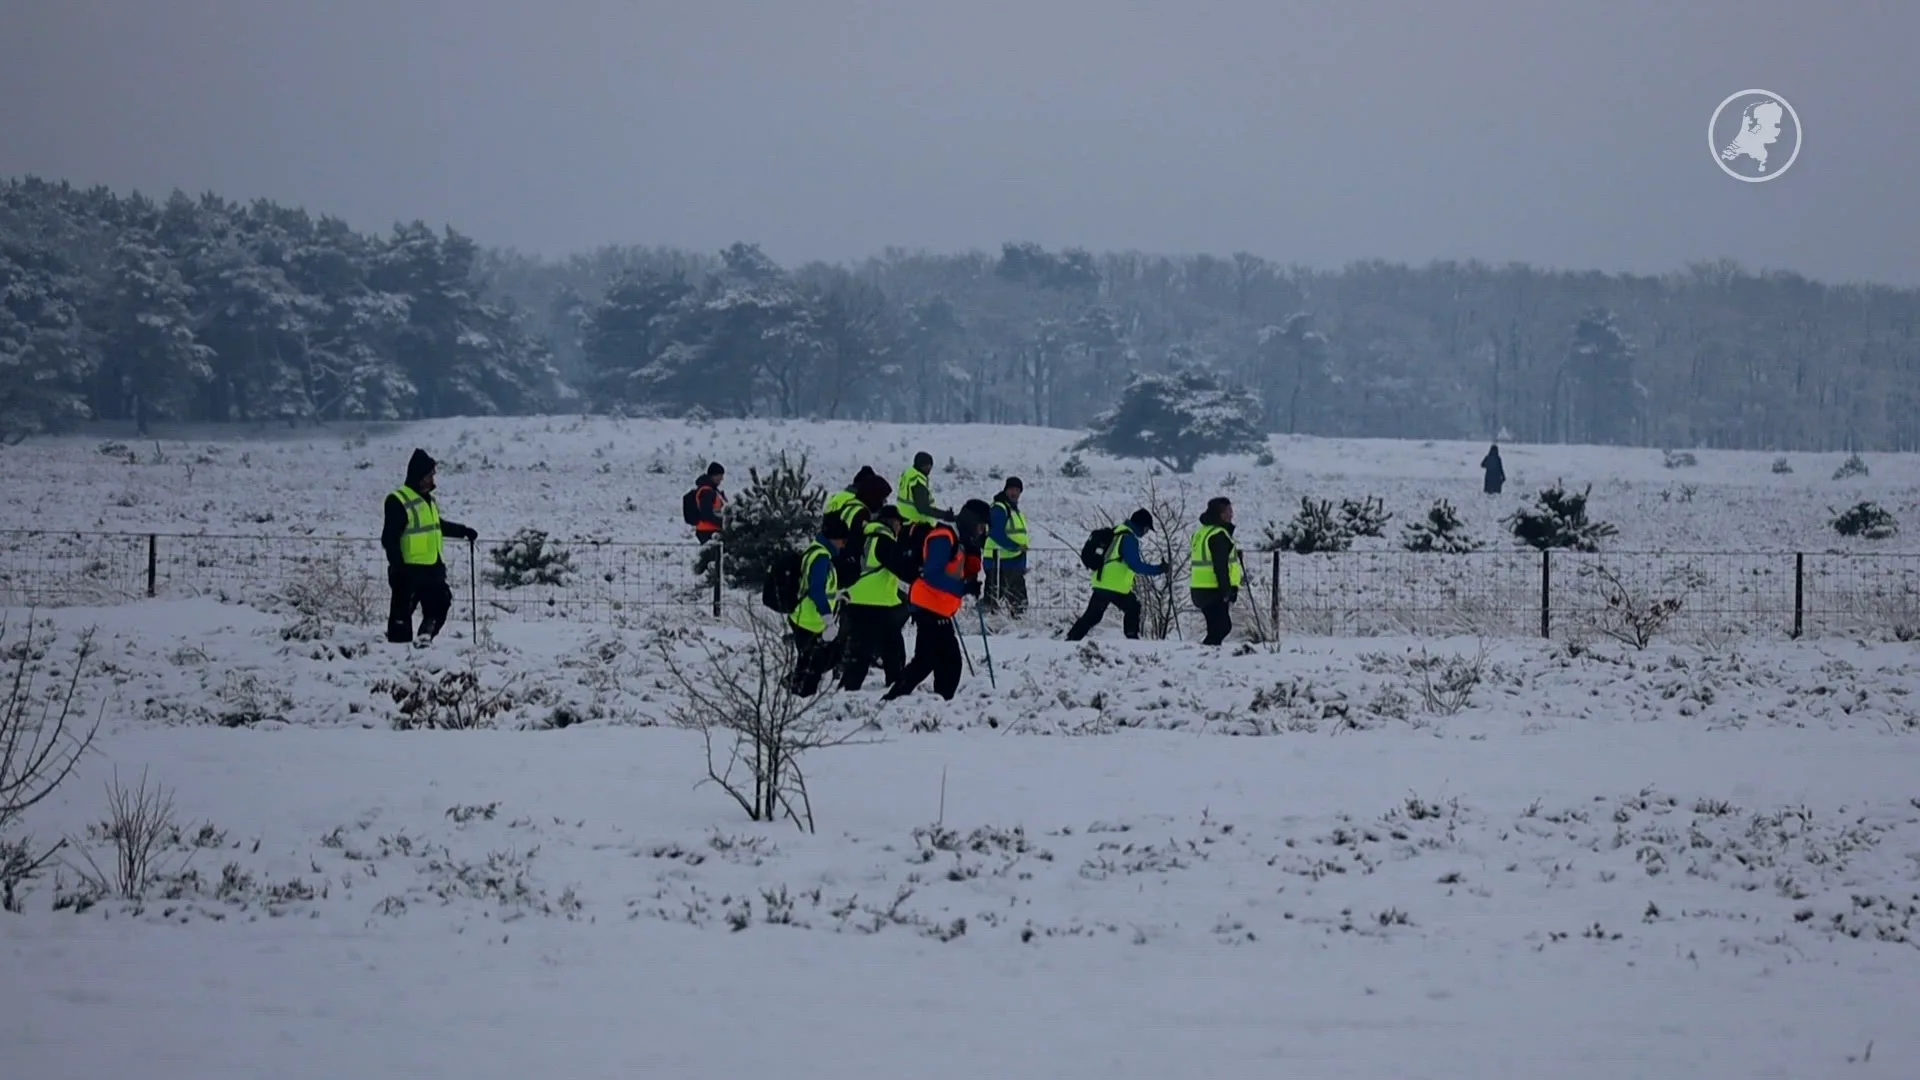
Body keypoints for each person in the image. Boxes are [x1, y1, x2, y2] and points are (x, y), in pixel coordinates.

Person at [883, 499, 990, 703]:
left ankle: (939, 704)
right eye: (980, 526)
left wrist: (973, 564)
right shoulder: (943, 538)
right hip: (927, 606)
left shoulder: (959, 541)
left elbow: (957, 572)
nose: (981, 532)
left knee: (947, 662)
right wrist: (963, 588)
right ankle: (893, 700)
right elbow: (932, 574)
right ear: (970, 521)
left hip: (938, 608)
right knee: (928, 661)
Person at [381, 448, 478, 646]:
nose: (434, 478)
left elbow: (437, 526)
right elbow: (389, 539)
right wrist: (398, 567)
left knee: (440, 603)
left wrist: (464, 531)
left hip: (432, 567)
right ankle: (396, 654)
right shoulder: (398, 500)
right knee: (401, 617)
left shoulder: (428, 501)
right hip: (407, 569)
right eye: (430, 474)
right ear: (420, 476)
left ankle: (424, 639)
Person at [839, 504, 917, 691]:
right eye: (899, 524)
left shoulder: (861, 537)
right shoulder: (883, 540)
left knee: (870, 646)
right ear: (891, 522)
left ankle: (854, 685)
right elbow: (900, 568)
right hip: (876, 603)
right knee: (881, 647)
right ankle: (855, 687)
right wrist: (921, 576)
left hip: (857, 600)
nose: (900, 528)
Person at [1064, 508, 1166, 641]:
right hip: (1111, 585)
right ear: (1141, 525)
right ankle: (1131, 639)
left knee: (1122, 609)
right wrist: (1159, 569)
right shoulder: (1128, 538)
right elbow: (1135, 565)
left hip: (1108, 584)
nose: (1146, 532)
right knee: (1121, 610)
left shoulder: (1118, 531)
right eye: (1147, 528)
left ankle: (1072, 640)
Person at [786, 512, 852, 696]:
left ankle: (791, 691)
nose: (843, 545)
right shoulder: (821, 558)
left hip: (806, 617)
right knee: (814, 668)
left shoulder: (816, 551)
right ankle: (802, 699)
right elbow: (816, 590)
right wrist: (828, 620)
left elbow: (817, 587)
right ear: (833, 539)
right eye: (842, 540)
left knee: (809, 663)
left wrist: (837, 595)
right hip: (810, 620)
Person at [1187, 496, 1243, 646]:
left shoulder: (1201, 533)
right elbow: (1221, 566)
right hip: (1213, 589)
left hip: (1199, 588)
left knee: (1215, 629)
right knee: (1222, 627)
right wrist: (1227, 591)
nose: (1232, 514)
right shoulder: (1218, 535)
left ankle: (1209, 655)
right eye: (1228, 511)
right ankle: (1206, 653)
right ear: (1221, 514)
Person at [982, 477, 1029, 617]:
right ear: (1006, 490)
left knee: (1015, 598)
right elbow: (996, 533)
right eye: (1012, 489)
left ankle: (1015, 622)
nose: (1014, 493)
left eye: (1017, 490)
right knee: (996, 598)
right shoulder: (999, 508)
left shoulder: (1014, 511)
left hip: (1013, 561)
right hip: (999, 560)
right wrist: (1015, 547)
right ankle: (986, 621)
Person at [896, 451, 953, 527]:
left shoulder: (909, 473)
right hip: (917, 523)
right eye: (928, 466)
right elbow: (923, 508)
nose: (930, 469)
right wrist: (944, 515)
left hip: (905, 520)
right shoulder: (917, 482)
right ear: (922, 466)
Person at [690, 462, 727, 541]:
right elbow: (706, 514)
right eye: (719, 476)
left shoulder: (712, 490)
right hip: (708, 531)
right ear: (713, 476)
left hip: (710, 529)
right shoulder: (707, 492)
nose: (721, 479)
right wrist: (723, 523)